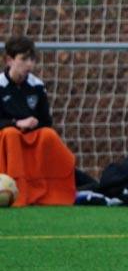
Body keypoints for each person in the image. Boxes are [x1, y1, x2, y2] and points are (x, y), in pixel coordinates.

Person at [0, 35, 76, 206]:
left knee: (48, 135)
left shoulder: (37, 86)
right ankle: (17, 190)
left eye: (32, 59)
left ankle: (55, 190)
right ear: (9, 60)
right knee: (11, 134)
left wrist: (34, 124)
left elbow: (46, 121)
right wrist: (16, 123)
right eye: (24, 59)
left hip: (30, 137)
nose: (30, 64)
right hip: (6, 139)